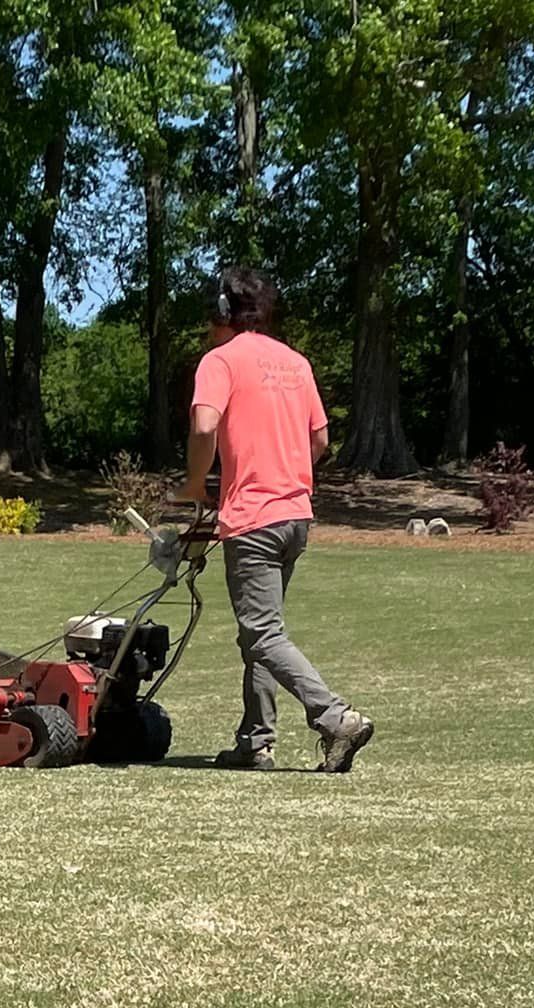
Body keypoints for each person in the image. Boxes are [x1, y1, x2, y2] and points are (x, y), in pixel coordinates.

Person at [174, 267, 374, 773]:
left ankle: (334, 717)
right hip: (296, 516)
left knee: (261, 633)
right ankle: (253, 740)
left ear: (222, 312)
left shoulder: (219, 361)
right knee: (262, 631)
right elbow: (321, 442)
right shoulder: (294, 363)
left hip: (253, 519)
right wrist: (286, 469)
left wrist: (198, 482)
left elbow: (203, 425)